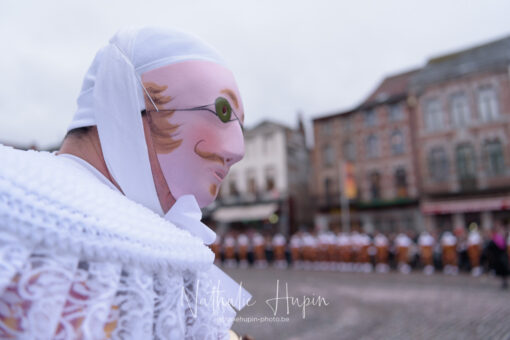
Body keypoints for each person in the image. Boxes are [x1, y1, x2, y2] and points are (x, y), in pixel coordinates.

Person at [0, 27, 251, 339]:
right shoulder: (14, 197)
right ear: (129, 104)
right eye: (221, 111)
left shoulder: (170, 243)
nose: (236, 151)